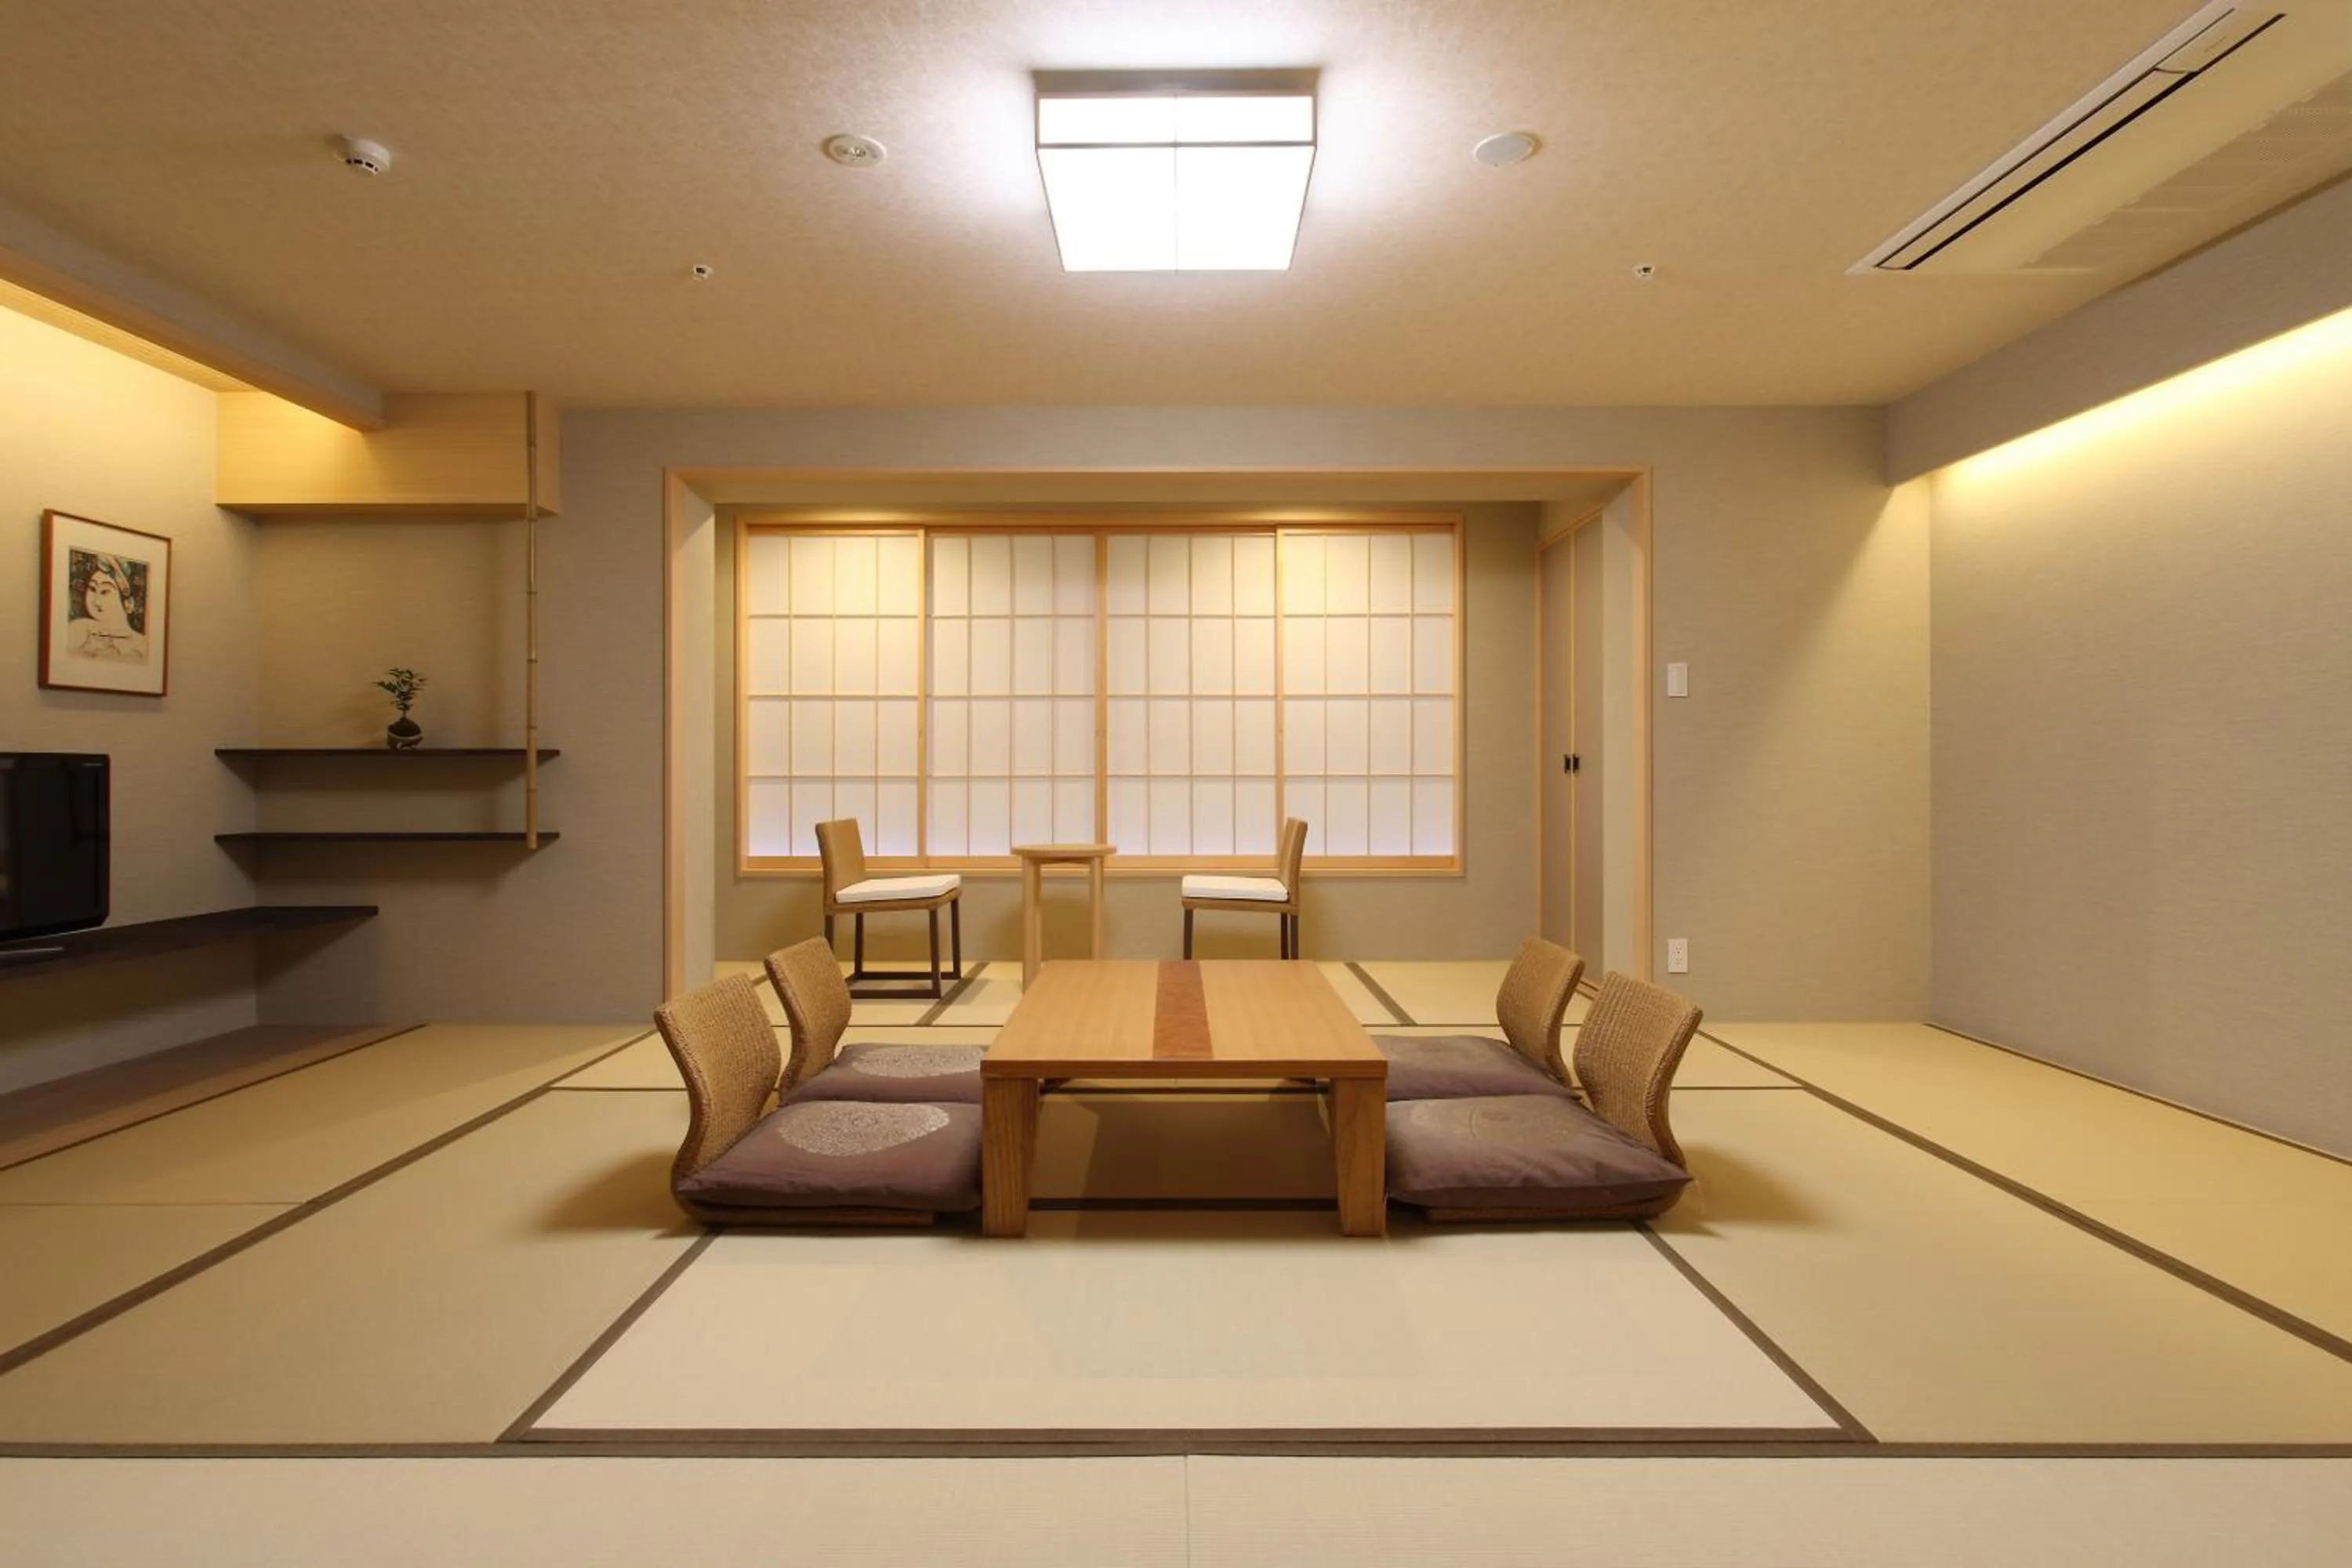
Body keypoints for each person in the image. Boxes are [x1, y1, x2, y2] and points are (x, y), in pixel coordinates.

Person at [68, 553, 148, 664]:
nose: (96, 601)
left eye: (105, 592)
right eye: (92, 588)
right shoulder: (79, 629)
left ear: (129, 603)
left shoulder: (142, 645)